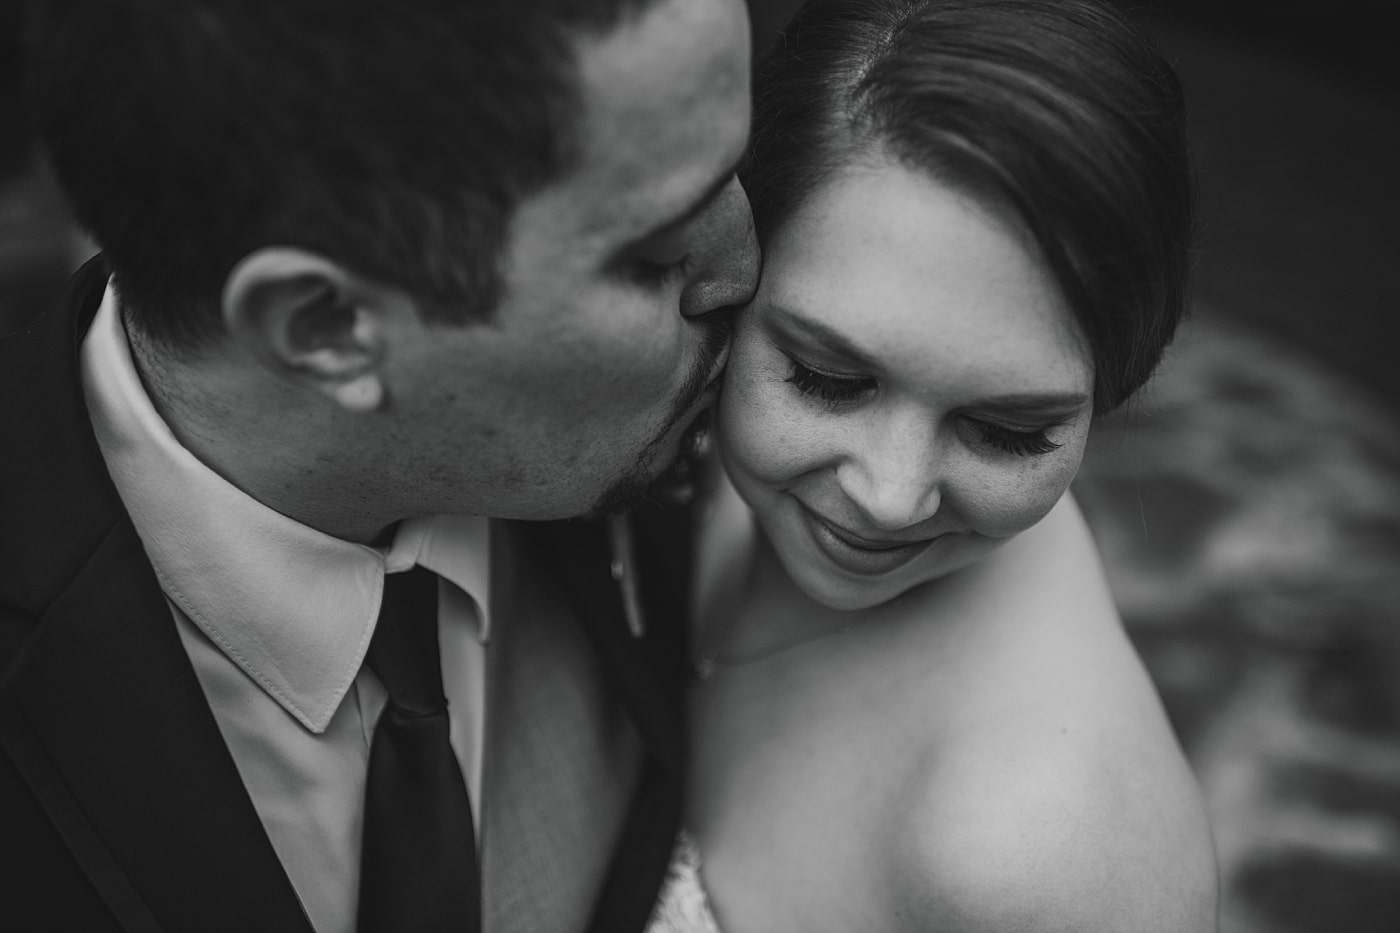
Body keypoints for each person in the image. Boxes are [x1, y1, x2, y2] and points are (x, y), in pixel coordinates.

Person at [0, 1, 757, 931]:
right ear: (328, 327)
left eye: (737, 163)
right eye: (655, 254)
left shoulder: (758, 455)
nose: (747, 270)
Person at [645, 0, 1217, 930]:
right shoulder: (649, 440)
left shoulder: (1038, 861)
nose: (890, 496)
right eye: (829, 379)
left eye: (1007, 431)